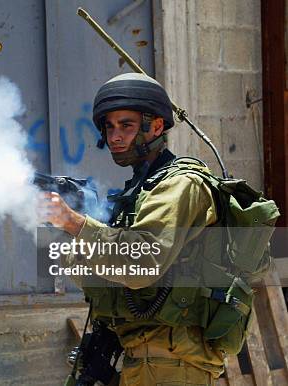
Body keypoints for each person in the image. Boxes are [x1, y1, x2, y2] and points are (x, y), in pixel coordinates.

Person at [39, 73, 223, 385]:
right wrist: (71, 229)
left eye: (127, 125)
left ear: (157, 126)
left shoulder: (179, 185)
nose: (115, 136)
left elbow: (140, 264)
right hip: (137, 356)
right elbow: (93, 277)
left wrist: (74, 222)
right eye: (109, 127)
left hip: (172, 365)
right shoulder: (138, 192)